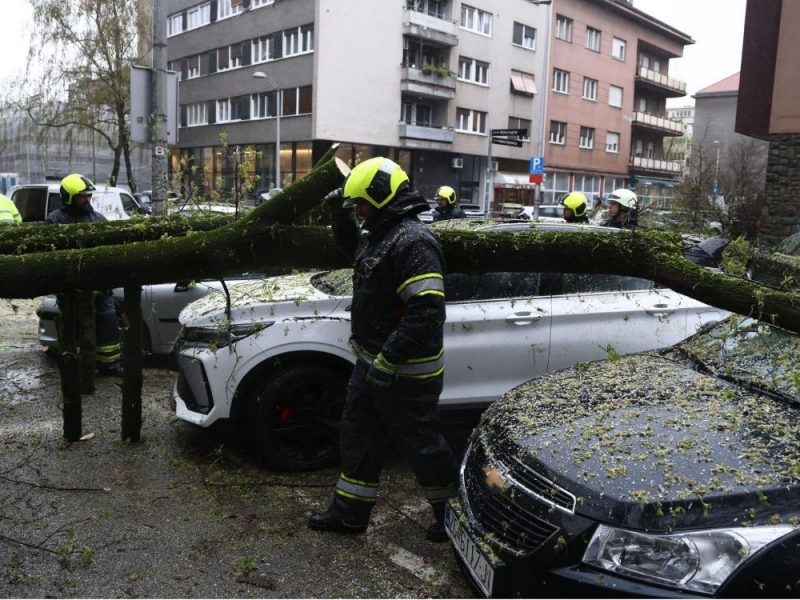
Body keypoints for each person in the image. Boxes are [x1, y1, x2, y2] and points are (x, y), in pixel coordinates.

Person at [308, 157, 458, 542]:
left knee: (421, 445)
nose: (359, 211)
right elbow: (355, 252)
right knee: (357, 438)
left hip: (407, 371)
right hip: (370, 362)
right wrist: (338, 213)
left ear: (381, 197)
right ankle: (349, 515)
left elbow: (426, 312)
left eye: (361, 204)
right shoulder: (384, 234)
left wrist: (390, 360)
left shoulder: (414, 241)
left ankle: (451, 517)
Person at [47, 174, 123, 376]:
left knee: (107, 324)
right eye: (82, 197)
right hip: (71, 289)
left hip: (99, 286)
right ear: (69, 197)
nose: (87, 200)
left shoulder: (97, 218)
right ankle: (79, 365)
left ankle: (109, 364)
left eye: (89, 196)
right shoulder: (55, 221)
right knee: (75, 328)